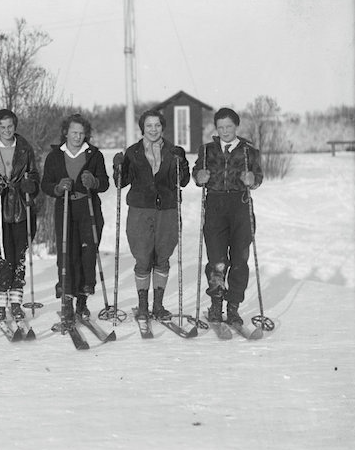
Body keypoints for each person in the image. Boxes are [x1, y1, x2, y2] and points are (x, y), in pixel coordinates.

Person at [113, 108, 190, 321]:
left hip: (168, 210)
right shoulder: (132, 152)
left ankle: (158, 305)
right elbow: (121, 183)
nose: (153, 129)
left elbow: (183, 181)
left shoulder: (174, 151)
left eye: (157, 125)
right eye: (149, 125)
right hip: (140, 211)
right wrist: (118, 167)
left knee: (163, 256)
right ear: (142, 128)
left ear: (162, 127)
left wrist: (181, 162)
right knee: (143, 257)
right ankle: (142, 306)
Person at [191, 107, 263, 327]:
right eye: (220, 127)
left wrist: (253, 179)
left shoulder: (249, 151)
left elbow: (258, 177)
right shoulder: (206, 150)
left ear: (236, 126)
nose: (224, 131)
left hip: (240, 207)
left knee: (240, 262)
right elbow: (196, 173)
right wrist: (199, 176)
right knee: (217, 262)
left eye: (228, 127)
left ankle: (233, 308)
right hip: (215, 207)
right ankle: (215, 304)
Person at [42, 113, 109, 323]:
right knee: (66, 253)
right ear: (66, 133)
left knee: (87, 253)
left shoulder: (94, 155)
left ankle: (82, 302)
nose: (78, 137)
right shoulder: (54, 156)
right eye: (74, 133)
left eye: (81, 133)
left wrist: (94, 182)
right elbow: (45, 184)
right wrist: (57, 187)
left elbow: (105, 183)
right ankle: (67, 303)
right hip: (65, 206)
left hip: (88, 207)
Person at [0, 109, 40, 321]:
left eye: (10, 126)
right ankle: (0, 305)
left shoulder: (25, 149)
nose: (6, 130)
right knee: (4, 259)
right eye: (2, 127)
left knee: (19, 257)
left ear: (15, 126)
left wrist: (30, 184)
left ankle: (16, 303)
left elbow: (34, 175)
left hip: (22, 209)